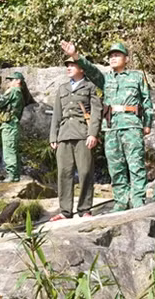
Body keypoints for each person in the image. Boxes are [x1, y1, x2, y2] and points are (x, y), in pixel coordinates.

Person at [60, 40, 153, 212]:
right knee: (115, 166)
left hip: (131, 125)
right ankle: (121, 200)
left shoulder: (137, 77)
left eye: (117, 55)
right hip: (111, 127)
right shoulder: (105, 78)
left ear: (126, 58)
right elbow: (90, 70)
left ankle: (138, 198)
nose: (113, 58)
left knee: (136, 164)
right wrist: (75, 55)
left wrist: (147, 124)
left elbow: (147, 101)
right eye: (110, 56)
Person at [49, 58, 103, 221]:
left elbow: (96, 112)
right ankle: (65, 211)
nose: (69, 68)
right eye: (68, 66)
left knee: (86, 171)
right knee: (64, 173)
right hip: (64, 135)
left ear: (82, 69)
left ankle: (84, 208)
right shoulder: (62, 88)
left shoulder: (90, 87)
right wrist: (53, 135)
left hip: (82, 134)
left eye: (72, 65)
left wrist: (93, 133)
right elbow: (57, 114)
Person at [0, 72, 30, 182]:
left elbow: (0, 102)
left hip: (9, 125)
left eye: (11, 80)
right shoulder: (19, 93)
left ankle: (12, 175)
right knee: (12, 149)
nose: (9, 82)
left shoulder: (13, 91)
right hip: (12, 124)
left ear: (18, 81)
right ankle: (15, 175)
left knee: (9, 150)